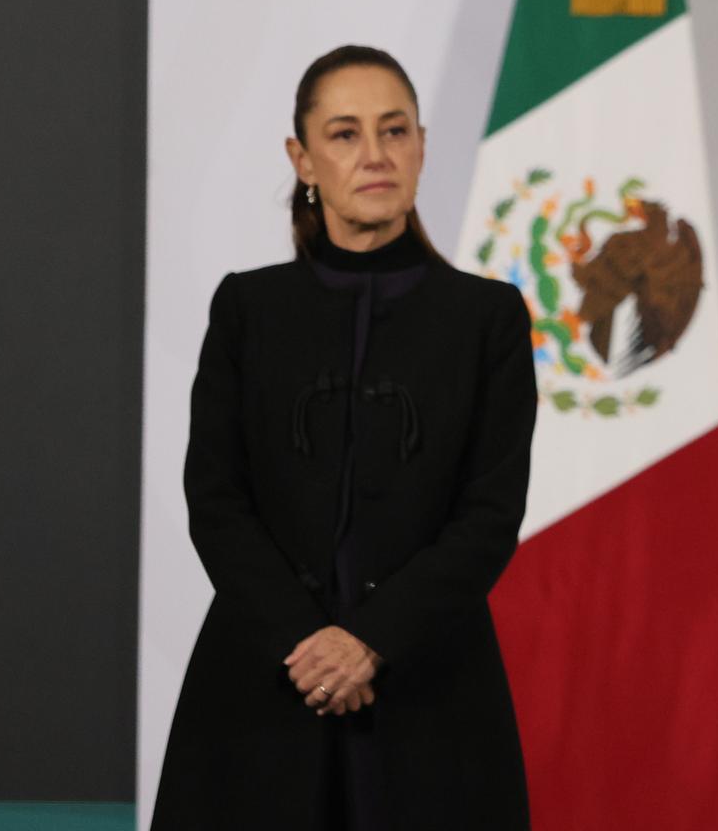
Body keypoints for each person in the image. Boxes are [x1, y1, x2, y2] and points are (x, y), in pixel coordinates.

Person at [153, 46, 536, 829]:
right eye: (345, 133)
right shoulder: (246, 310)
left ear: (422, 146)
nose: (374, 155)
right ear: (303, 158)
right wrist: (307, 642)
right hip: (261, 681)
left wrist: (371, 641)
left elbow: (490, 515)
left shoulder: (486, 319)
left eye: (394, 131)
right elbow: (216, 500)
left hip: (432, 687)